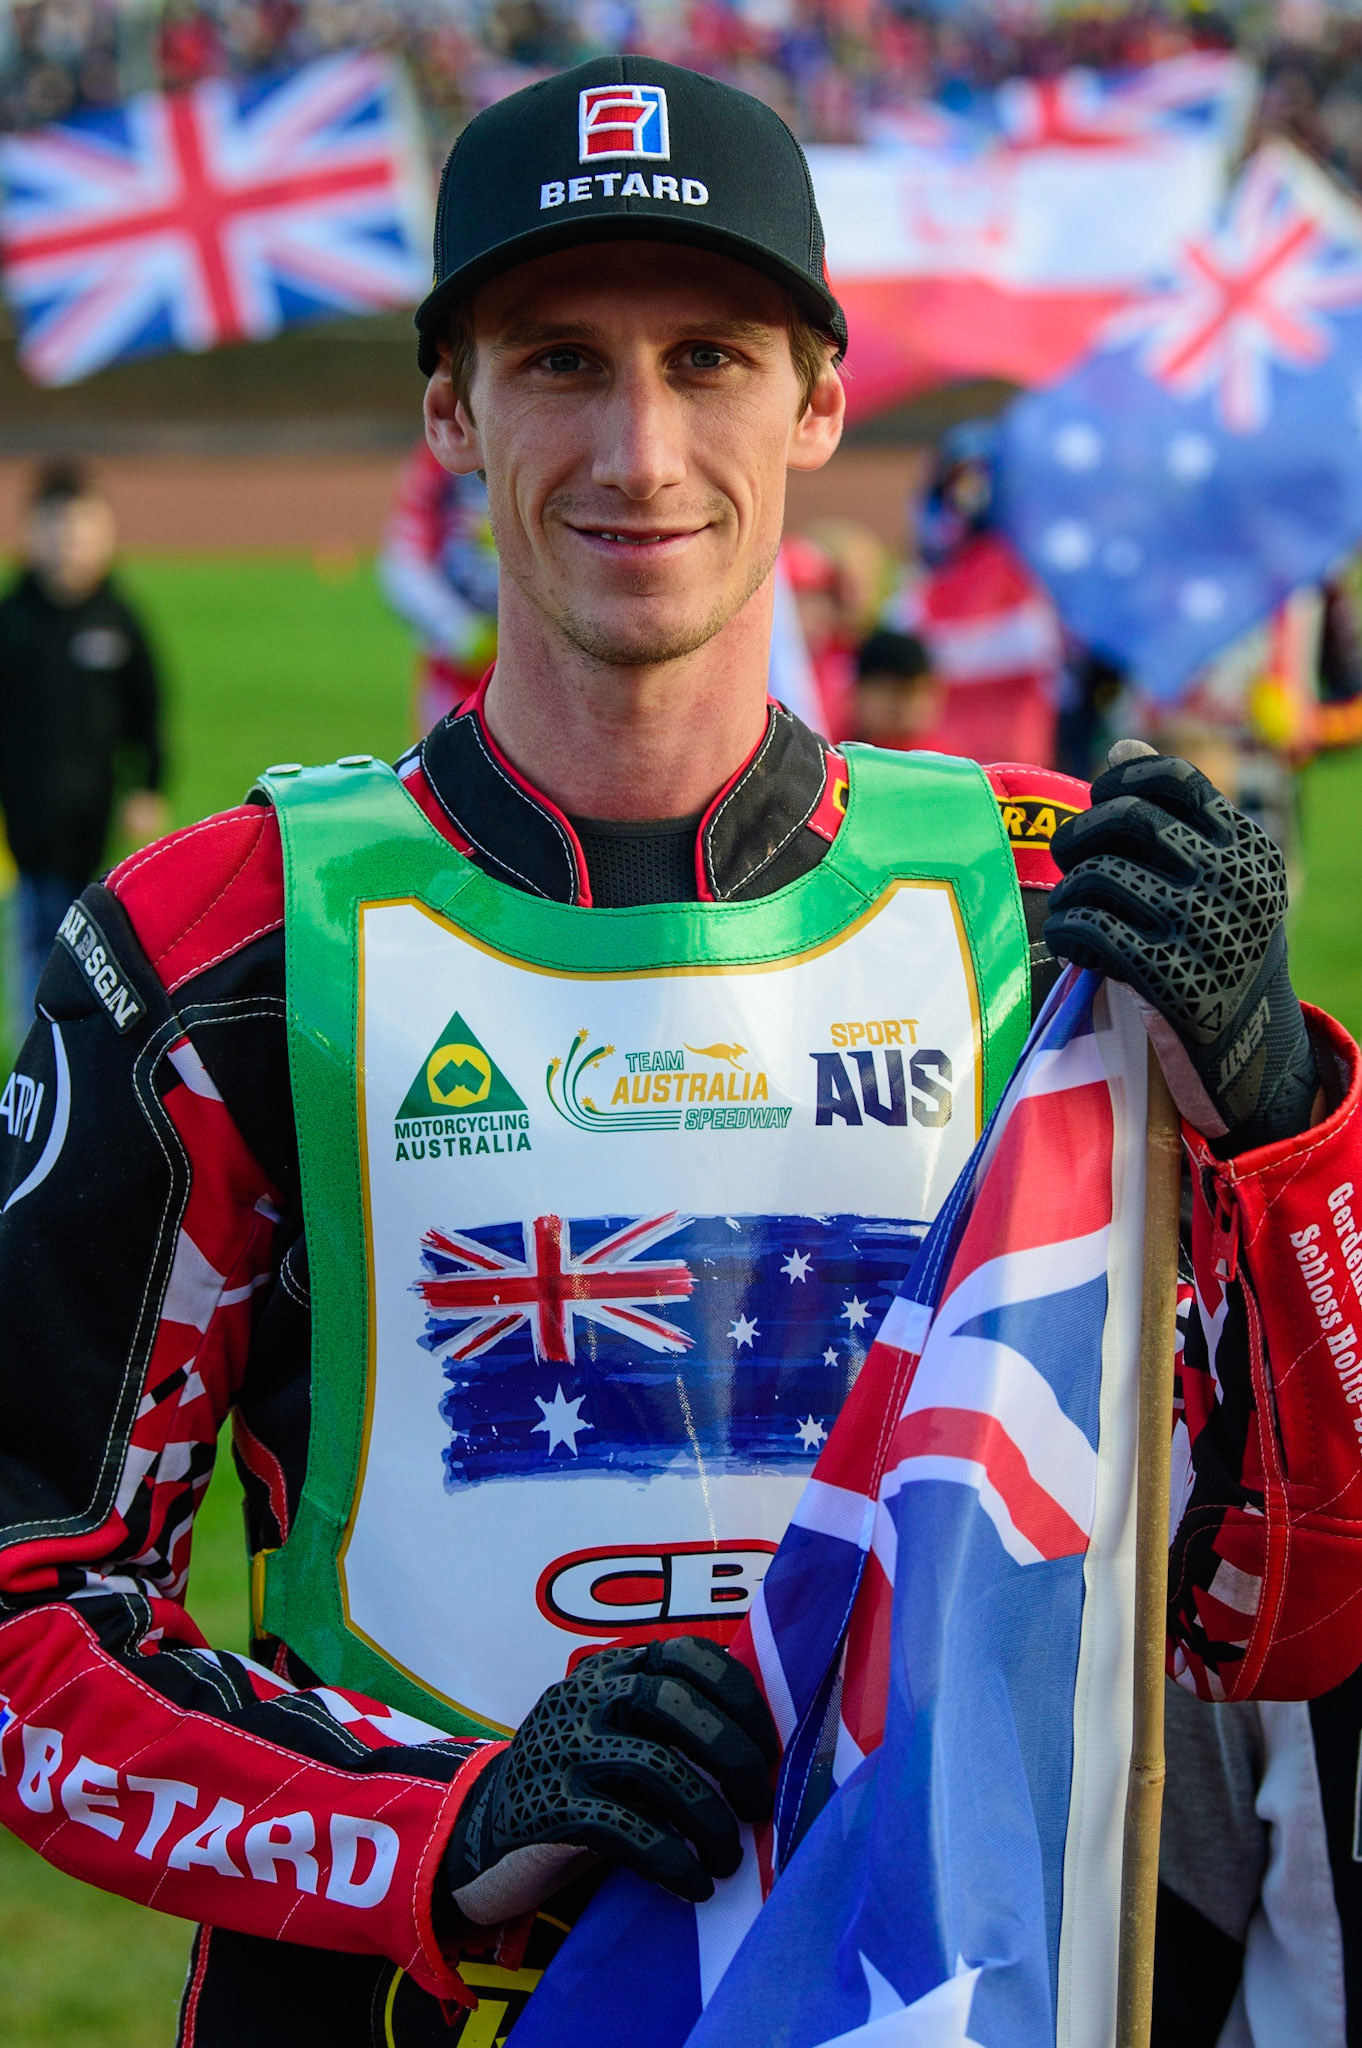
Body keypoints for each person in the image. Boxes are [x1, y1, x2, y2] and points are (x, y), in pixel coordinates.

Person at [0, 56, 1359, 2048]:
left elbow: (1289, 1604)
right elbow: (36, 1614)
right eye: (559, 359)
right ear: (449, 406)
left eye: (709, 356)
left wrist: (1295, 1135)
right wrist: (428, 1832)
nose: (638, 447)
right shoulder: (220, 947)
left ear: (819, 395)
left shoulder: (1054, 901)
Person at [0, 461, 165, 1027]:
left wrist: (148, 786)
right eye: (55, 530)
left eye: (81, 531)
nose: (68, 545)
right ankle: (34, 1051)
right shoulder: (13, 622)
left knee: (96, 941)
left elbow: (148, 712)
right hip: (27, 821)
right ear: (31, 535)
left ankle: (86, 1043)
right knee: (36, 932)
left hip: (96, 820)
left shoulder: (117, 621)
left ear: (105, 536)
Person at [887, 418, 1065, 767]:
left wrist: (936, 653)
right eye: (961, 479)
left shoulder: (1022, 567)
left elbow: (1038, 642)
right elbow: (901, 644)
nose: (971, 493)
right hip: (940, 765)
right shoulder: (929, 580)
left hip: (1015, 770)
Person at [377, 440, 500, 735]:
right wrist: (459, 629)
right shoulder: (440, 454)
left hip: (557, 672)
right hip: (455, 674)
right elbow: (403, 562)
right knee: (447, 776)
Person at [852, 625, 941, 748]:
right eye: (887, 691)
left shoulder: (949, 763)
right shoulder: (831, 756)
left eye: (910, 692)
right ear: (859, 690)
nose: (899, 704)